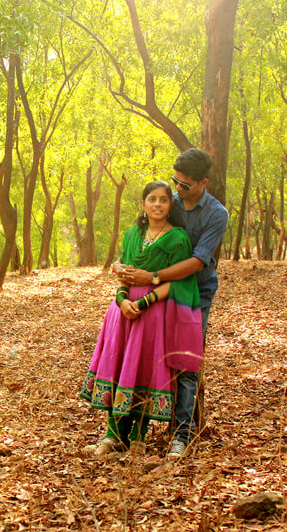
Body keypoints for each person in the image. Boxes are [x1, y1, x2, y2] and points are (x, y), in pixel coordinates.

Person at [115, 148, 228, 458]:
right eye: (174, 181)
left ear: (204, 182)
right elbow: (139, 239)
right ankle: (129, 431)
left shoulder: (216, 214)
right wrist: (121, 267)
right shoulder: (169, 200)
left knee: (186, 361)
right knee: (148, 356)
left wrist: (152, 277)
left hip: (195, 293)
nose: (177, 189)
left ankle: (181, 434)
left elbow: (197, 262)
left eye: (185, 185)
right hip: (158, 291)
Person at [79, 180, 205, 456]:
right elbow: (123, 270)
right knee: (117, 366)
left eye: (163, 200)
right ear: (144, 203)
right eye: (152, 199)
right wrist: (123, 300)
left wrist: (144, 301)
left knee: (143, 369)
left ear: (170, 205)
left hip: (153, 312)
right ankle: (112, 437)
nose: (157, 204)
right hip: (121, 313)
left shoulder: (178, 239)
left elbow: (180, 280)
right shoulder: (131, 234)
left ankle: (137, 438)